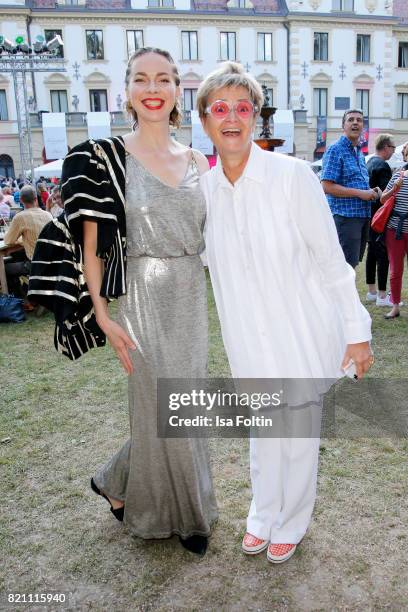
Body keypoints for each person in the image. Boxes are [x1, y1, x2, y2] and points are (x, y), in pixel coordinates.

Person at [39, 47, 217, 555]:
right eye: (142, 79)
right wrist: (101, 313)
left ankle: (116, 482)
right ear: (127, 92)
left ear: (178, 89)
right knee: (158, 405)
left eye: (164, 78)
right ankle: (184, 518)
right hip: (138, 295)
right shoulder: (105, 157)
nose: (153, 87)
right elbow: (90, 245)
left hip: (189, 292)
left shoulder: (197, 160)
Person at [197, 62, 373, 564]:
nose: (232, 118)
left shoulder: (293, 176)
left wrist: (356, 331)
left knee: (296, 435)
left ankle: (291, 521)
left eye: (243, 108)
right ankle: (262, 512)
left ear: (256, 118)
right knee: (262, 432)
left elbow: (331, 262)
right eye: (220, 109)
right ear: (206, 120)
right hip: (247, 336)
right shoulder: (204, 195)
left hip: (299, 330)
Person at [321, 109, 378, 268]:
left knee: (351, 266)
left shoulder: (359, 152)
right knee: (343, 268)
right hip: (345, 218)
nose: (355, 123)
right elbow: (326, 186)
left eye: (359, 120)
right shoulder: (336, 149)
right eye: (351, 120)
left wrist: (371, 191)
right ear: (343, 126)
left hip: (361, 217)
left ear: (363, 126)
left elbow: (355, 183)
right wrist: (361, 194)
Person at [3, 185, 52, 304]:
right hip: (52, 262)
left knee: (4, 268)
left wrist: (22, 239)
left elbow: (8, 241)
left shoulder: (20, 217)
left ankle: (23, 300)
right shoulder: (48, 215)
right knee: (17, 256)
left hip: (35, 264)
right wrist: (24, 240)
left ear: (21, 200)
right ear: (36, 198)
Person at [365, 134, 396, 306]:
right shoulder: (383, 166)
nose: (393, 151)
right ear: (386, 147)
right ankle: (382, 296)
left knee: (372, 254)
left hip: (370, 216)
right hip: (380, 217)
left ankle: (372, 291)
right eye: (392, 148)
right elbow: (386, 195)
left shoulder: (369, 162)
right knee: (382, 255)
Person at [380, 142, 408, 319]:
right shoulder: (399, 175)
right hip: (395, 230)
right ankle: (395, 306)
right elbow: (382, 199)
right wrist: (394, 189)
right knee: (396, 270)